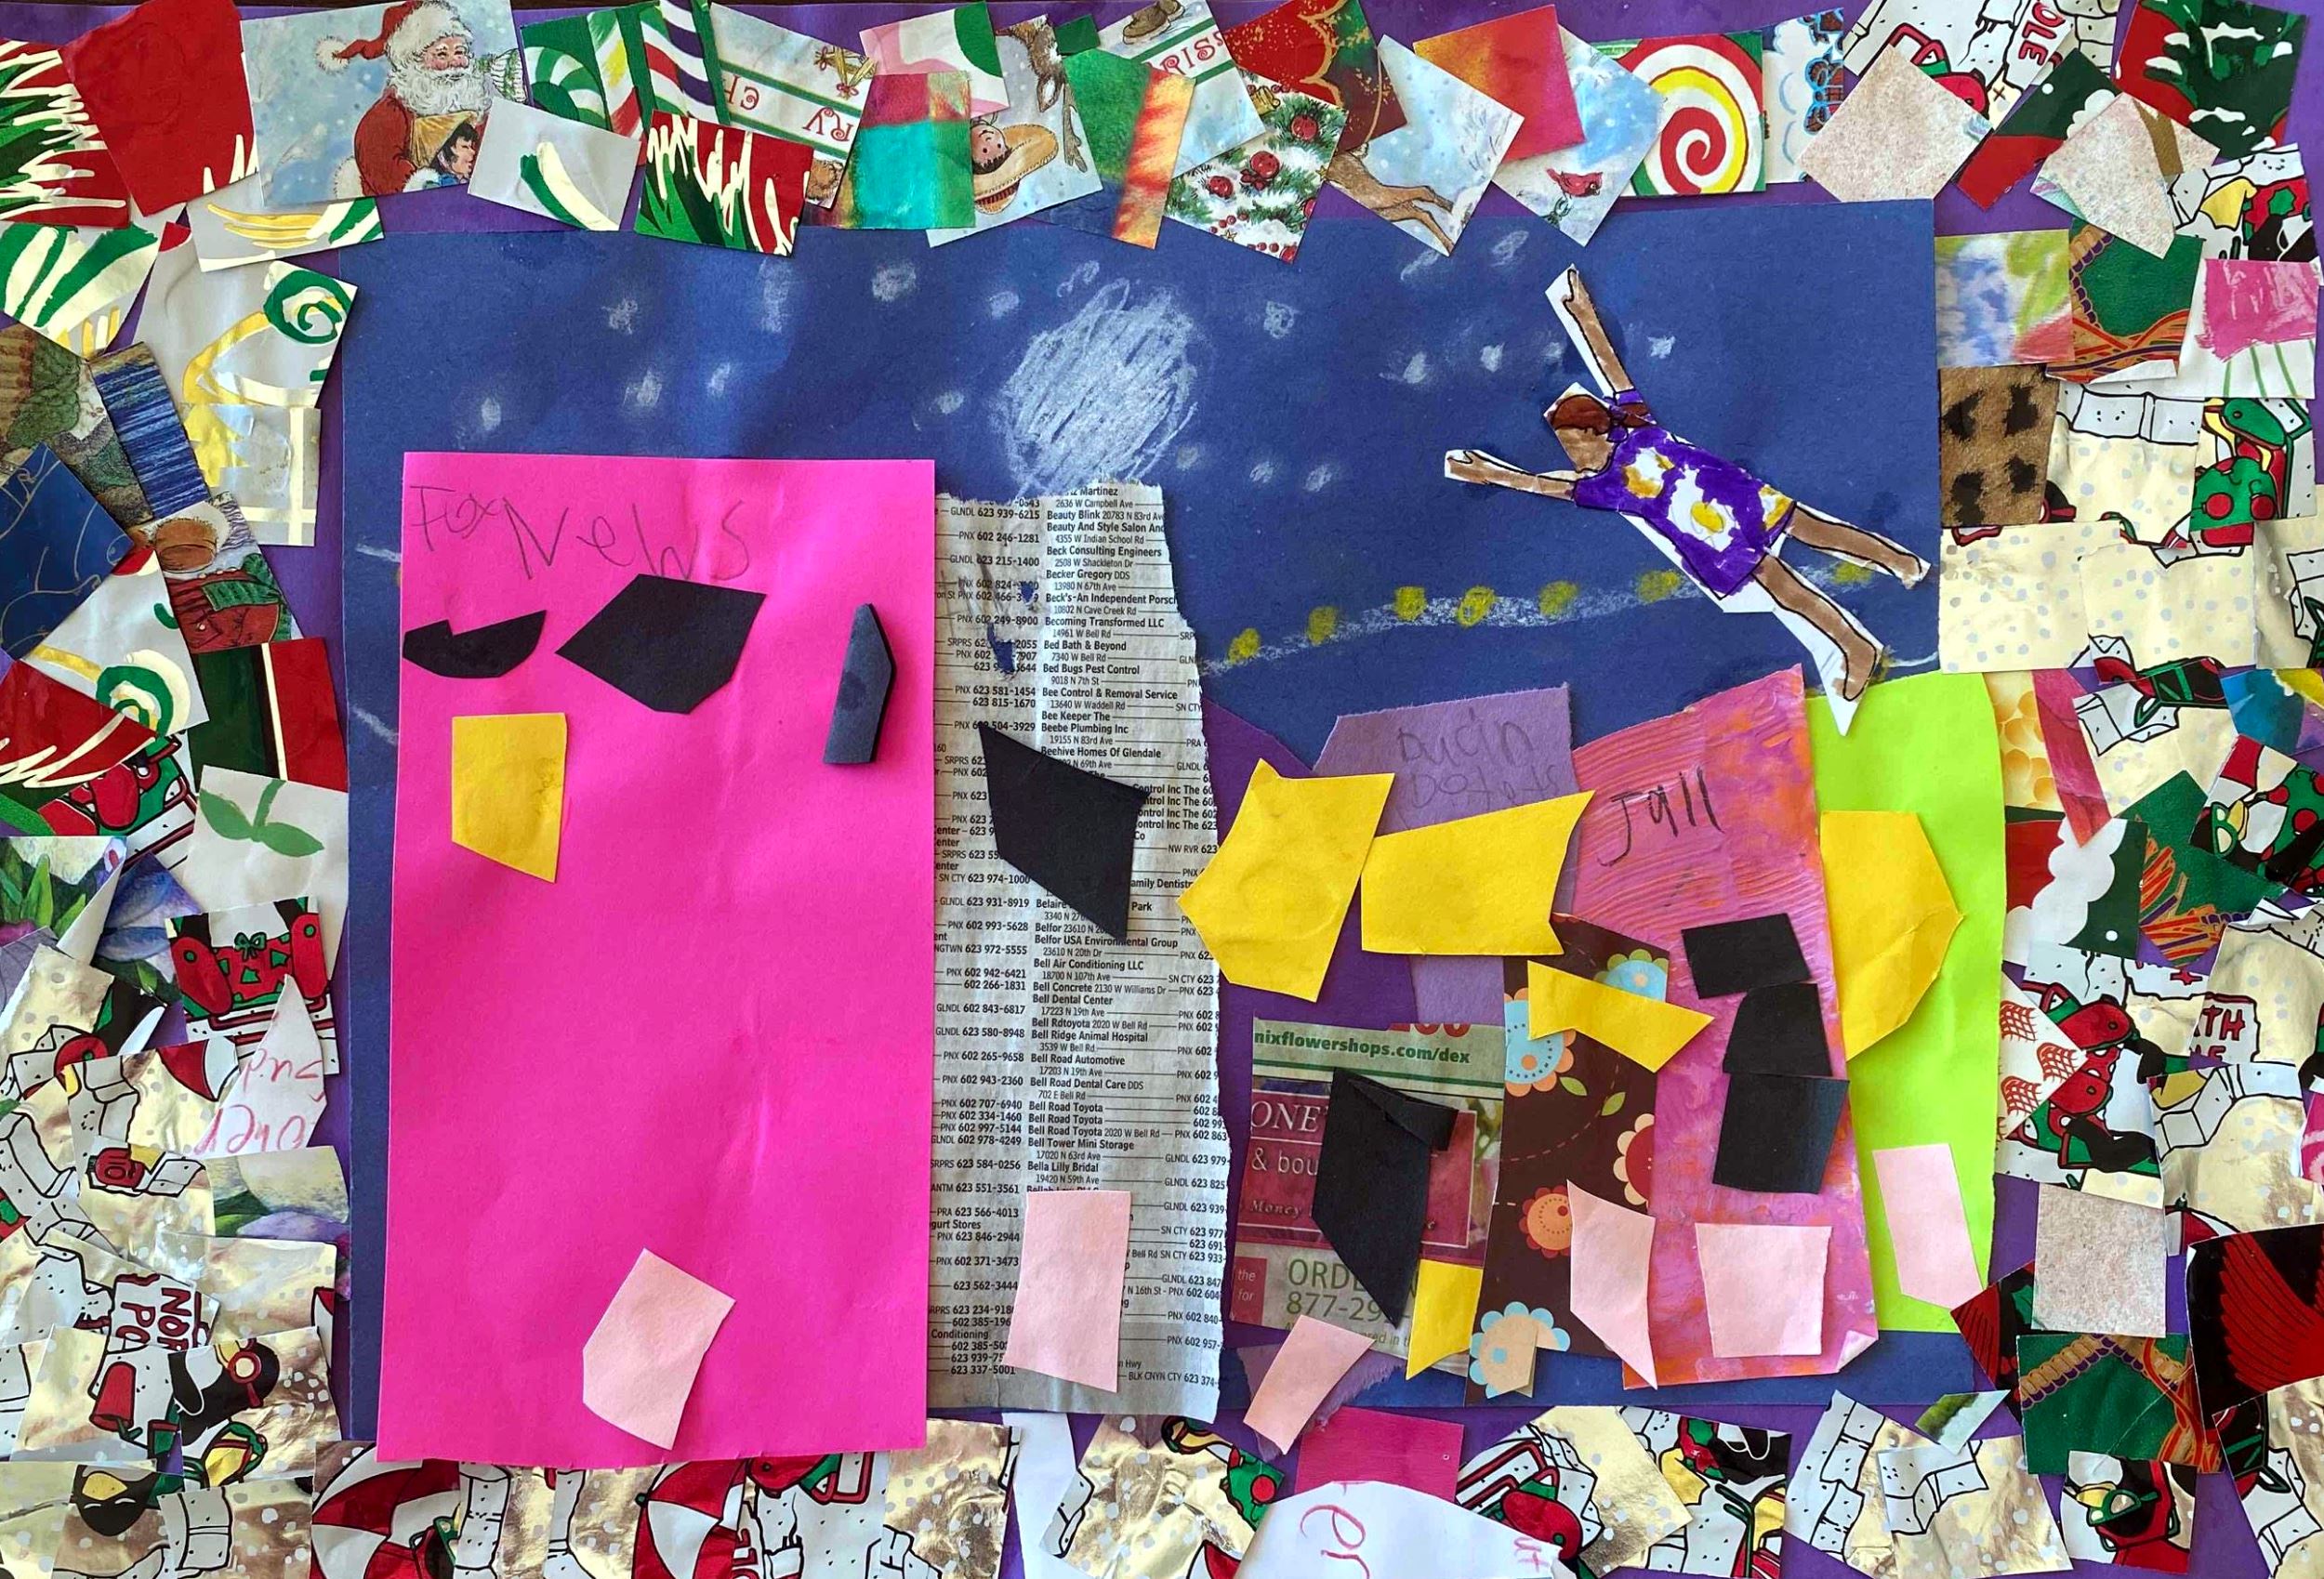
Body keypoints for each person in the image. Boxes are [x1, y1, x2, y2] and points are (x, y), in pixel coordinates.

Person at [1446, 270, 1928, 704]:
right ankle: (1856, 648)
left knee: (1820, 532)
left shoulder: (1639, 426)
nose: (1571, 454)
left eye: (1572, 441)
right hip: (1710, 543)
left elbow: (1611, 368)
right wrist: (1491, 473)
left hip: (1736, 497)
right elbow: (1544, 485)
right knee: (1787, 592)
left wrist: (1584, 316)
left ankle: (1900, 561)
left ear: (1595, 429)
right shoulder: (1605, 487)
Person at [317, 0, 501, 194]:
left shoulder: (473, 101)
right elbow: (381, 164)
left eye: (460, 52)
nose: (454, 62)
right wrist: (427, 187)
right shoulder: (391, 111)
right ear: (415, 60)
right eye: (441, 54)